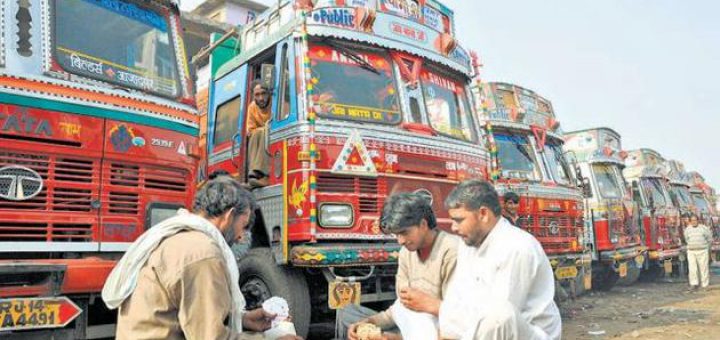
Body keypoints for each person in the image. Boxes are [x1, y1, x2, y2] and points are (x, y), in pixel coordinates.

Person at [102, 177, 301, 340]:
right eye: (244, 225)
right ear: (229, 216)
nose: (241, 236)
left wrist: (244, 319)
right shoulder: (203, 253)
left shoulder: (179, 237)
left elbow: (184, 311)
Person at [440, 180, 561, 340]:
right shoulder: (468, 244)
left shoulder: (517, 247)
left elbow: (499, 320)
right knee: (446, 308)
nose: (454, 228)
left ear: (483, 214)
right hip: (482, 325)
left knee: (498, 315)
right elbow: (458, 299)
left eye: (459, 220)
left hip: (526, 333)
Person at [346, 193, 460, 340]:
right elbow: (401, 308)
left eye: (404, 233)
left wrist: (428, 304)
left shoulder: (451, 252)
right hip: (416, 331)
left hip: (447, 332)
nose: (400, 241)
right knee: (348, 315)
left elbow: (460, 320)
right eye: (396, 235)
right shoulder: (406, 253)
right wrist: (368, 323)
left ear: (423, 225)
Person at [247, 81, 272, 188]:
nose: (261, 98)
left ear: (269, 94)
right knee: (255, 133)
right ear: (253, 96)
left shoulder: (277, 102)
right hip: (262, 138)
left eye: (263, 93)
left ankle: (265, 175)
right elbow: (250, 130)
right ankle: (254, 173)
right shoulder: (252, 107)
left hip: (274, 137)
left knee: (263, 131)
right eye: (257, 95)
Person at [684, 214, 713, 291]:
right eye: (692, 220)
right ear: (690, 221)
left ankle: (705, 285)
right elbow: (686, 239)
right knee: (692, 269)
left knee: (704, 268)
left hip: (702, 250)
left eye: (695, 220)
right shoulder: (687, 230)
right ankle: (694, 284)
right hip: (691, 251)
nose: (694, 222)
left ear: (698, 221)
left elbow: (709, 239)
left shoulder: (704, 229)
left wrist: (707, 248)